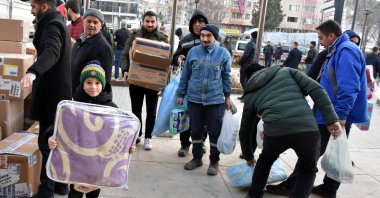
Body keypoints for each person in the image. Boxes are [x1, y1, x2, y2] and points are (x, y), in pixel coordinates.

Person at [267, 19, 368, 198]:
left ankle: (293, 186)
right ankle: (329, 189)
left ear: (331, 36)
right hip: (331, 112)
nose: (319, 41)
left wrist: (338, 116)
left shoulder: (346, 51)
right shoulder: (336, 50)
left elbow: (349, 87)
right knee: (335, 151)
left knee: (310, 152)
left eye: (321, 37)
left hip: (332, 114)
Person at [240, 65, 342, 198]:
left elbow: (245, 130)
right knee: (308, 169)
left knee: (265, 161)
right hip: (307, 129)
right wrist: (332, 120)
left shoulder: (250, 94)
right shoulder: (287, 71)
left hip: (276, 132)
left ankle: (254, 195)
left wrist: (248, 156)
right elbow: (317, 90)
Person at [47, 61, 134, 198]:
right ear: (82, 83)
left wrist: (128, 146)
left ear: (103, 84)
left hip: (98, 162)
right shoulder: (72, 106)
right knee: (75, 192)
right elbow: (58, 126)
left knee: (93, 192)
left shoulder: (111, 108)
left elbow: (121, 132)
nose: (93, 87)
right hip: (77, 159)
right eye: (88, 82)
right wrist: (51, 138)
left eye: (97, 83)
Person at [20, 0, 72, 196]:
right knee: (56, 142)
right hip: (57, 93)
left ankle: (46, 191)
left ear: (44, 7)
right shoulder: (57, 22)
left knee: (47, 144)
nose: (31, 10)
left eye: (33, 6)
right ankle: (60, 185)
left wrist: (33, 71)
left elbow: (52, 51)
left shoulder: (52, 25)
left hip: (52, 96)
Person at [176, 24, 232, 176]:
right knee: (196, 131)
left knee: (214, 132)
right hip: (195, 99)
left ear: (215, 37)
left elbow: (226, 77)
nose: (205, 39)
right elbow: (185, 75)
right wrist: (181, 94)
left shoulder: (223, 54)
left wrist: (227, 97)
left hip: (215, 101)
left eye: (209, 36)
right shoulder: (193, 52)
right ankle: (197, 158)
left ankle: (214, 161)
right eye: (203, 36)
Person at [120, 11, 168, 150]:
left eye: (152, 21)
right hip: (136, 80)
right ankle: (137, 134)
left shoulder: (162, 38)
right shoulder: (134, 36)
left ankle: (148, 137)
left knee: (151, 111)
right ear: (143, 22)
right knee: (136, 109)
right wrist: (125, 71)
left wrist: (166, 69)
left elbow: (166, 58)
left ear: (156, 23)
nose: (150, 24)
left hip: (153, 83)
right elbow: (125, 55)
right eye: (147, 21)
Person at [171, 10, 209, 157]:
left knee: (203, 119)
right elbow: (175, 57)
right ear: (191, 24)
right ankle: (184, 144)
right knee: (185, 115)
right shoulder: (185, 40)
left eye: (201, 22)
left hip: (205, 87)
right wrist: (178, 58)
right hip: (187, 85)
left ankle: (201, 142)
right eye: (195, 22)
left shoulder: (211, 39)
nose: (198, 25)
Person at [71, 8, 114, 95]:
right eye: (89, 21)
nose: (91, 25)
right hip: (75, 95)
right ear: (83, 22)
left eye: (95, 22)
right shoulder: (80, 40)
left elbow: (105, 82)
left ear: (101, 25)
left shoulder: (104, 47)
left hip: (88, 100)